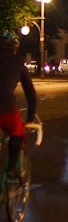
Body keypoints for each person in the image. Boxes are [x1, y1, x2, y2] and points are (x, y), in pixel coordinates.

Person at [0, 35, 36, 180]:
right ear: (15, 49)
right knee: (17, 131)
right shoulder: (17, 62)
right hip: (6, 108)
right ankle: (11, 169)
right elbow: (30, 92)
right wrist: (30, 116)